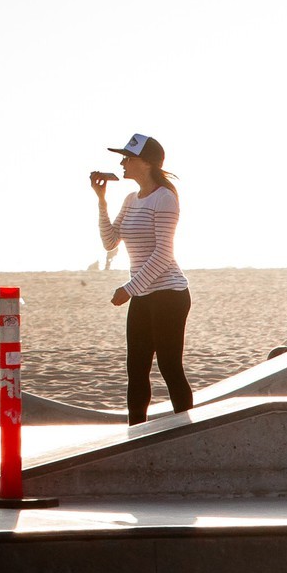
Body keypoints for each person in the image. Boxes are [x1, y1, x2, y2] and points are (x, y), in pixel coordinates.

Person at [90, 134, 193, 423]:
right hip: (143, 295)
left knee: (169, 366)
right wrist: (101, 202)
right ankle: (135, 433)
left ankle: (188, 432)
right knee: (135, 368)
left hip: (170, 295)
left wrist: (128, 288)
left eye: (127, 157)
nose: (122, 162)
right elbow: (110, 242)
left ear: (145, 163)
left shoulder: (165, 197)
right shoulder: (131, 199)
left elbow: (163, 254)